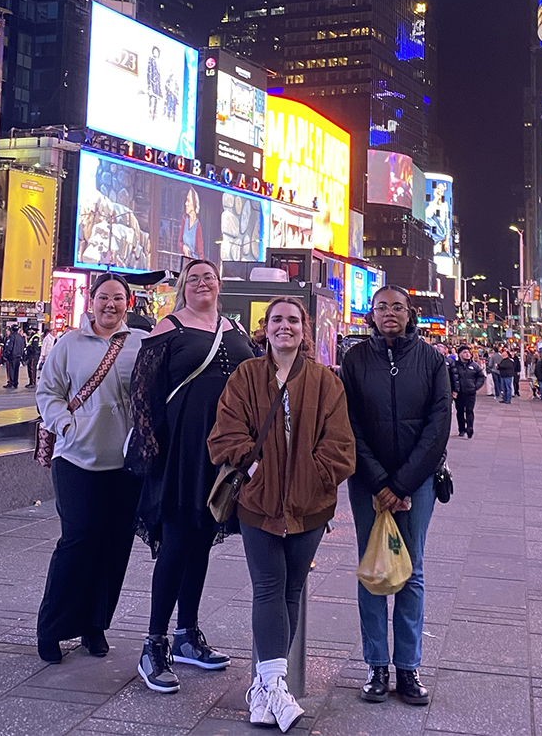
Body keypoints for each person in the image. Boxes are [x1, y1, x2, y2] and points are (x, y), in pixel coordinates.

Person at [207, 297, 357, 732]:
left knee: (291, 589)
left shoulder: (327, 382)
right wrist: (253, 470)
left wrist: (315, 475)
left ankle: (264, 688)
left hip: (310, 507)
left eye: (293, 320)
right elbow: (225, 431)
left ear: (304, 329)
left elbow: (341, 444)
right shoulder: (247, 375)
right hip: (258, 502)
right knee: (268, 587)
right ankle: (274, 684)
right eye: (277, 320)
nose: (285, 327)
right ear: (265, 328)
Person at [125, 259, 252, 693]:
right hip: (181, 451)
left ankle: (186, 635)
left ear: (219, 285)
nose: (202, 283)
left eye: (209, 277)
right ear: (184, 287)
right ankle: (153, 643)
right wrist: (150, 447)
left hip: (221, 454)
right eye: (194, 278)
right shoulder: (168, 328)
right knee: (177, 544)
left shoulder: (234, 329)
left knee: (201, 541)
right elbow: (141, 391)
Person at [339, 285, 450, 706]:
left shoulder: (432, 360)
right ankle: (376, 665)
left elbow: (439, 425)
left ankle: (408, 667)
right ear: (371, 314)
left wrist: (402, 485)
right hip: (367, 482)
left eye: (397, 307)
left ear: (410, 313)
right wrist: (380, 482)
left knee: (412, 571)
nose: (389, 313)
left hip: (416, 483)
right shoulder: (355, 360)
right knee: (372, 569)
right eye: (381, 306)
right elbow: (349, 425)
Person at [36, 276, 148, 664]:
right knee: (77, 541)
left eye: (118, 298)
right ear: (92, 301)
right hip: (76, 460)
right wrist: (65, 424)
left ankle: (94, 627)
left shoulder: (139, 344)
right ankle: (51, 628)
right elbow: (47, 391)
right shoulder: (69, 344)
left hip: (124, 465)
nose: (110, 305)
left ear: (128, 302)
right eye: (104, 298)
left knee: (115, 547)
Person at [448, 348, 485, 438]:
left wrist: (475, 386)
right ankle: (461, 429)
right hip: (459, 393)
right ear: (460, 355)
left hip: (470, 392)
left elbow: (481, 377)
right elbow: (451, 377)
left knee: (469, 411)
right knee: (460, 411)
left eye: (468, 352)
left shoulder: (474, 366)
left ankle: (470, 428)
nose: (467, 354)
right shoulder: (455, 366)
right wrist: (453, 389)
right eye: (464, 352)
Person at [1, 323, 26, 389]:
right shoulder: (20, 337)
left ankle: (11, 383)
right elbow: (23, 346)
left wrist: (5, 354)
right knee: (16, 370)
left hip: (12, 356)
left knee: (11, 370)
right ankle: (15, 383)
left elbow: (9, 346)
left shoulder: (11, 337)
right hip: (18, 356)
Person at [24, 324, 43, 388]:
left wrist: (29, 348)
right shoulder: (33, 336)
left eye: (30, 330)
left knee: (32, 369)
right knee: (30, 368)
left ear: (33, 330)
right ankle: (31, 382)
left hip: (33, 355)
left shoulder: (36, 337)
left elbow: (34, 347)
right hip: (31, 355)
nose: (29, 331)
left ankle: (32, 382)